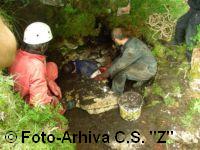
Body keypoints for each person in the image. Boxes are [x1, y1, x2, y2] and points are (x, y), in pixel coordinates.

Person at [9, 22, 63, 110]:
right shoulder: (36, 66)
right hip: (25, 98)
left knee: (51, 66)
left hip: (20, 85)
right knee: (57, 105)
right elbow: (38, 101)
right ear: (43, 46)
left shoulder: (18, 53)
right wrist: (52, 100)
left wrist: (48, 81)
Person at [97, 28, 157, 94]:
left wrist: (107, 73)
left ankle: (116, 94)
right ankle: (140, 80)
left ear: (116, 39)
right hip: (141, 62)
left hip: (148, 69)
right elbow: (122, 58)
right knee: (116, 69)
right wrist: (110, 65)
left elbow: (121, 64)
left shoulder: (131, 49)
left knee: (120, 74)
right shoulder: (130, 41)